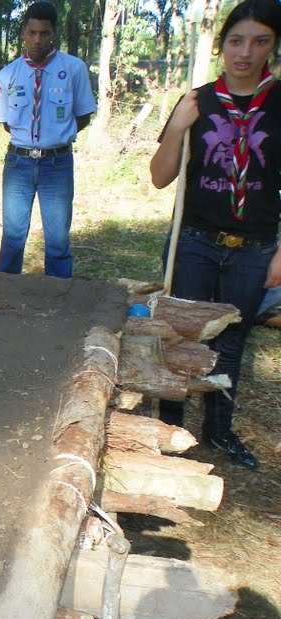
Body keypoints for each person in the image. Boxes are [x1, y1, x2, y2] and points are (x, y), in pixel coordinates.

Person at [150, 0, 281, 470]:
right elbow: (160, 177)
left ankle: (218, 432)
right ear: (222, 45)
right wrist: (176, 128)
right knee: (180, 335)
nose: (245, 53)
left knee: (231, 341)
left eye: (260, 41)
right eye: (236, 41)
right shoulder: (197, 101)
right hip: (196, 242)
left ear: (273, 46)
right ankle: (169, 429)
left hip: (255, 248)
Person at [0, 1, 97, 278]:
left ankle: (59, 296)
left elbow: (83, 116)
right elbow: (7, 124)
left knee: (58, 240)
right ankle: (3, 294)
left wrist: (55, 138)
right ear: (23, 33)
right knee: (13, 237)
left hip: (57, 164)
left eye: (44, 33)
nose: (38, 40)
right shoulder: (8, 74)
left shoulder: (73, 69)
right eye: (32, 32)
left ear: (54, 33)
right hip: (19, 163)